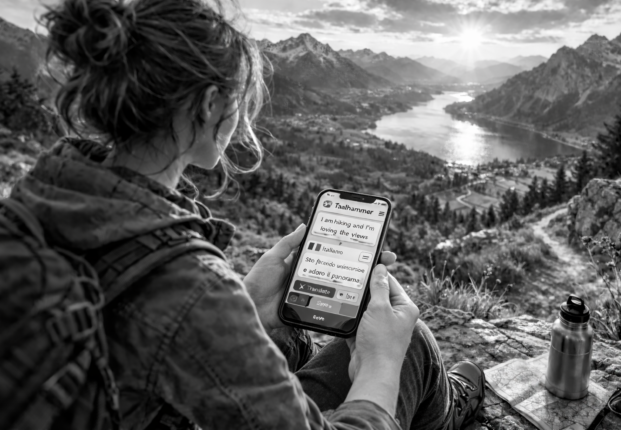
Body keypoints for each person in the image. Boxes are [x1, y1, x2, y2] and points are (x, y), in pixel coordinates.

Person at [11, 0, 485, 428]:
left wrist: (242, 309)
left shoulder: (31, 201)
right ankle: (439, 412)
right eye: (237, 100)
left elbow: (139, 343)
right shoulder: (188, 287)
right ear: (211, 103)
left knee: (306, 340)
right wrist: (381, 367)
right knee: (411, 345)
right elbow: (171, 316)